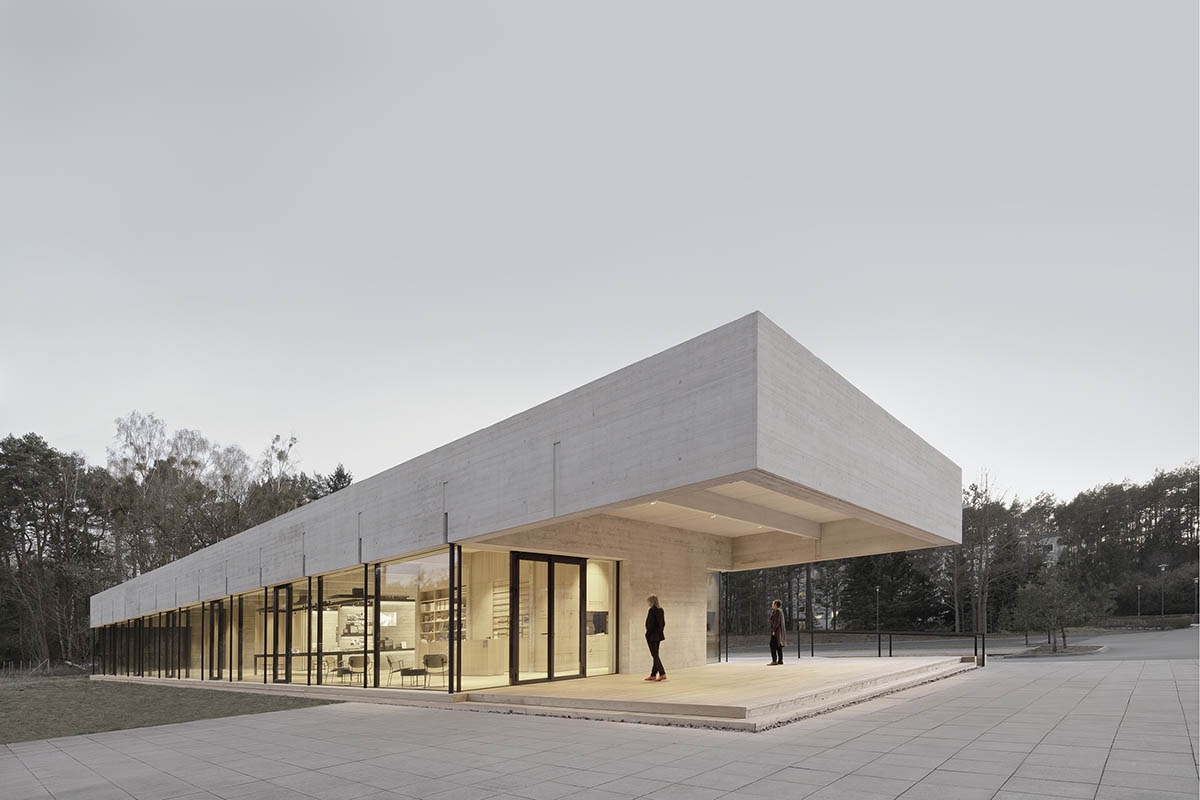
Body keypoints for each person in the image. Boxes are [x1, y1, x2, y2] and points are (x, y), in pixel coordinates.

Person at [645, 595, 666, 681]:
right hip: (658, 636)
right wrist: (659, 632)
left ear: (651, 602)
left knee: (655, 655)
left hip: (651, 636)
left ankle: (662, 673)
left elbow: (650, 624)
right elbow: (662, 623)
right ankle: (653, 674)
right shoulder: (661, 610)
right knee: (655, 654)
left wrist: (647, 634)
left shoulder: (652, 610)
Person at [769, 599, 786, 665]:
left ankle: (774, 660)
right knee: (778, 645)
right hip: (779, 632)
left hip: (777, 632)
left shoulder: (777, 611)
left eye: (773, 604)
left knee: (772, 645)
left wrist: (774, 630)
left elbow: (776, 622)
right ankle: (780, 660)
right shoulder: (778, 611)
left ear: (776, 605)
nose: (772, 605)